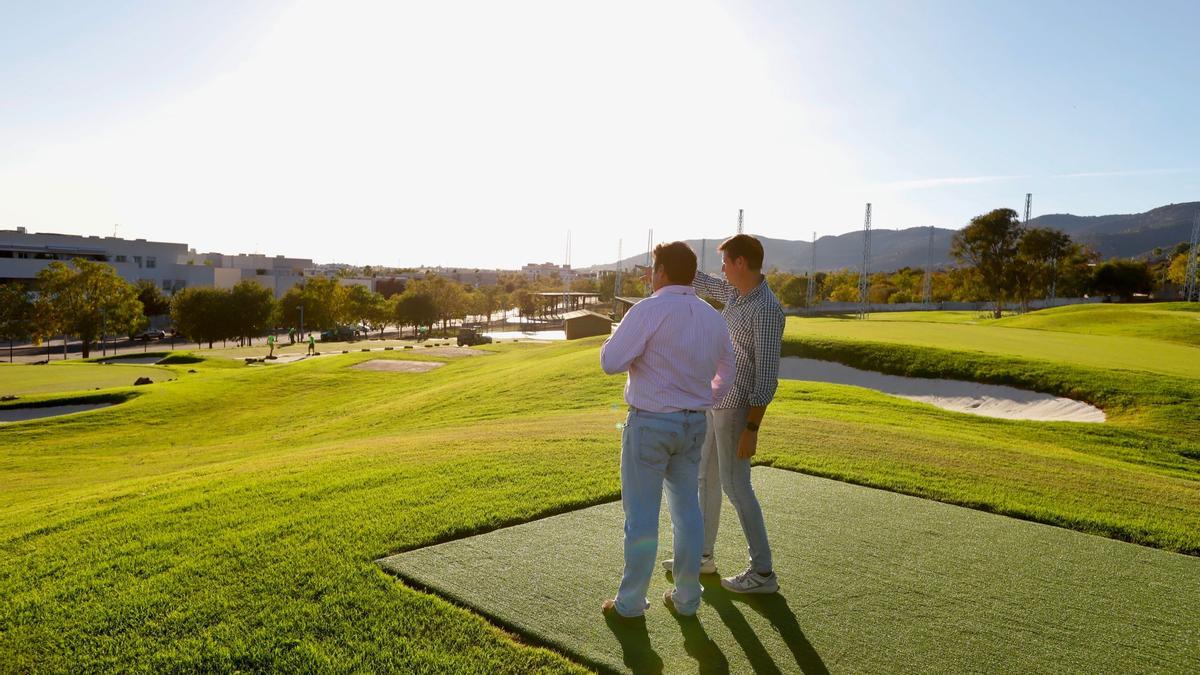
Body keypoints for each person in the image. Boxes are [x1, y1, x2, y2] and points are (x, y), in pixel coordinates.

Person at [600, 241, 735, 619]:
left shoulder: (648, 310)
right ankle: (688, 599)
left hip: (651, 423)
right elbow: (728, 372)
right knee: (687, 510)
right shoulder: (712, 316)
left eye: (652, 267)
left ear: (660, 271)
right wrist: (703, 396)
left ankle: (629, 604)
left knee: (641, 517)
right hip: (696, 422)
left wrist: (615, 337)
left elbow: (611, 361)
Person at [662, 233, 785, 595]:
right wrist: (671, 262)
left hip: (738, 411)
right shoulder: (735, 294)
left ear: (741, 263)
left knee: (736, 485)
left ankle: (763, 572)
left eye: (726, 262)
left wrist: (753, 426)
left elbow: (766, 377)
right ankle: (702, 556)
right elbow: (703, 281)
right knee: (706, 479)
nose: (722, 270)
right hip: (717, 401)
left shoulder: (765, 309)